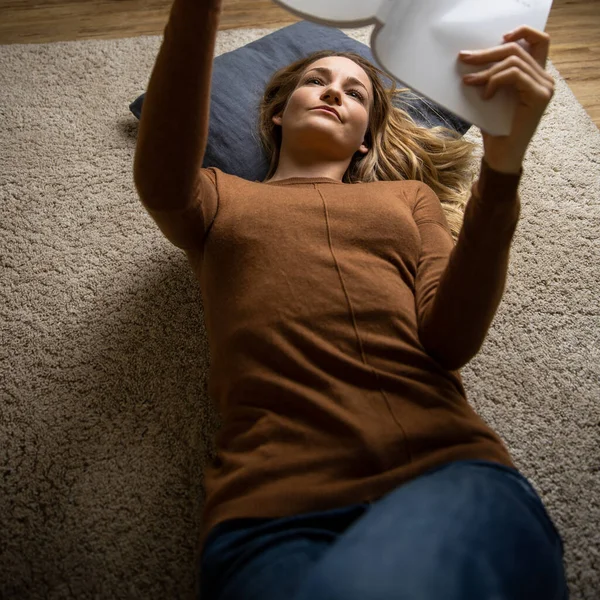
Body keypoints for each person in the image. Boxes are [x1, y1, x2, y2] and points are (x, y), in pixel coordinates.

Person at [133, 1, 568, 598]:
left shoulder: (409, 200)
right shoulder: (216, 195)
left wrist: (503, 167)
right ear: (278, 114)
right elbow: (160, 179)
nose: (334, 92)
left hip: (445, 470)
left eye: (356, 93)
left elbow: (450, 340)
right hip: (268, 508)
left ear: (366, 141)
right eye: (316, 81)